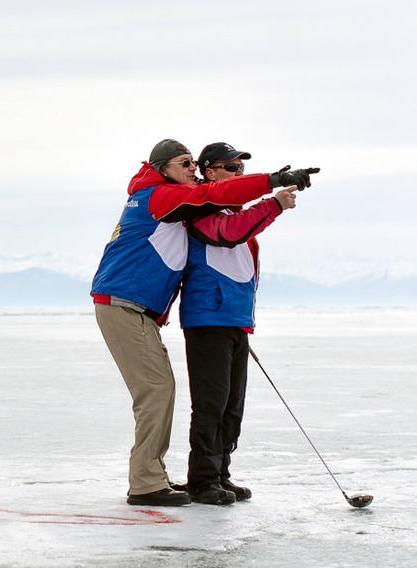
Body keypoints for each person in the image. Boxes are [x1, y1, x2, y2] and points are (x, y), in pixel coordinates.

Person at [90, 139, 318, 507]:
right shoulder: (160, 195)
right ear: (162, 167)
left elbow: (224, 209)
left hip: (140, 309)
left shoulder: (172, 198)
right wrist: (274, 184)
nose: (192, 170)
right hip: (124, 305)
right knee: (159, 391)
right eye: (185, 163)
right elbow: (221, 214)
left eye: (194, 164)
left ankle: (165, 476)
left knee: (179, 394)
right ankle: (151, 482)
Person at [178, 143, 312, 505]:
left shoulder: (232, 211)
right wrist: (274, 203)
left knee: (231, 406)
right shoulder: (200, 209)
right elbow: (229, 232)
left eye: (240, 168)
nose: (237, 173)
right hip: (207, 321)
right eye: (230, 168)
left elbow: (241, 236)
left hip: (235, 322)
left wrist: (271, 204)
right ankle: (203, 479)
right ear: (210, 172)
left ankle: (220, 473)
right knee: (211, 404)